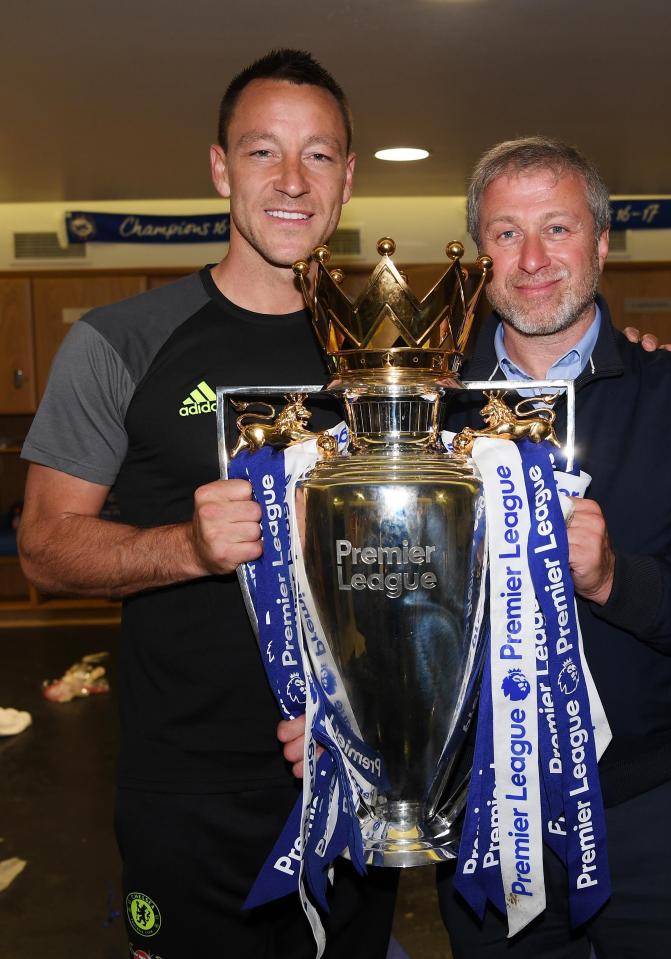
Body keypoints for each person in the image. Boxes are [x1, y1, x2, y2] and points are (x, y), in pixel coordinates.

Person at [16, 49, 399, 958]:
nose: (293, 181)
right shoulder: (121, 342)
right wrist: (186, 546)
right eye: (264, 152)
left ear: (348, 177)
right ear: (221, 168)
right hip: (189, 794)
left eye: (319, 155)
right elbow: (41, 547)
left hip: (356, 775)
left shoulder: (392, 359)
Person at [437, 136, 671, 958]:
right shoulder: (431, 419)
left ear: (600, 244)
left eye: (558, 228)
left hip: (666, 812)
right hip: (492, 818)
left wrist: (616, 581)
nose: (532, 259)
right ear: (478, 256)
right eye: (505, 233)